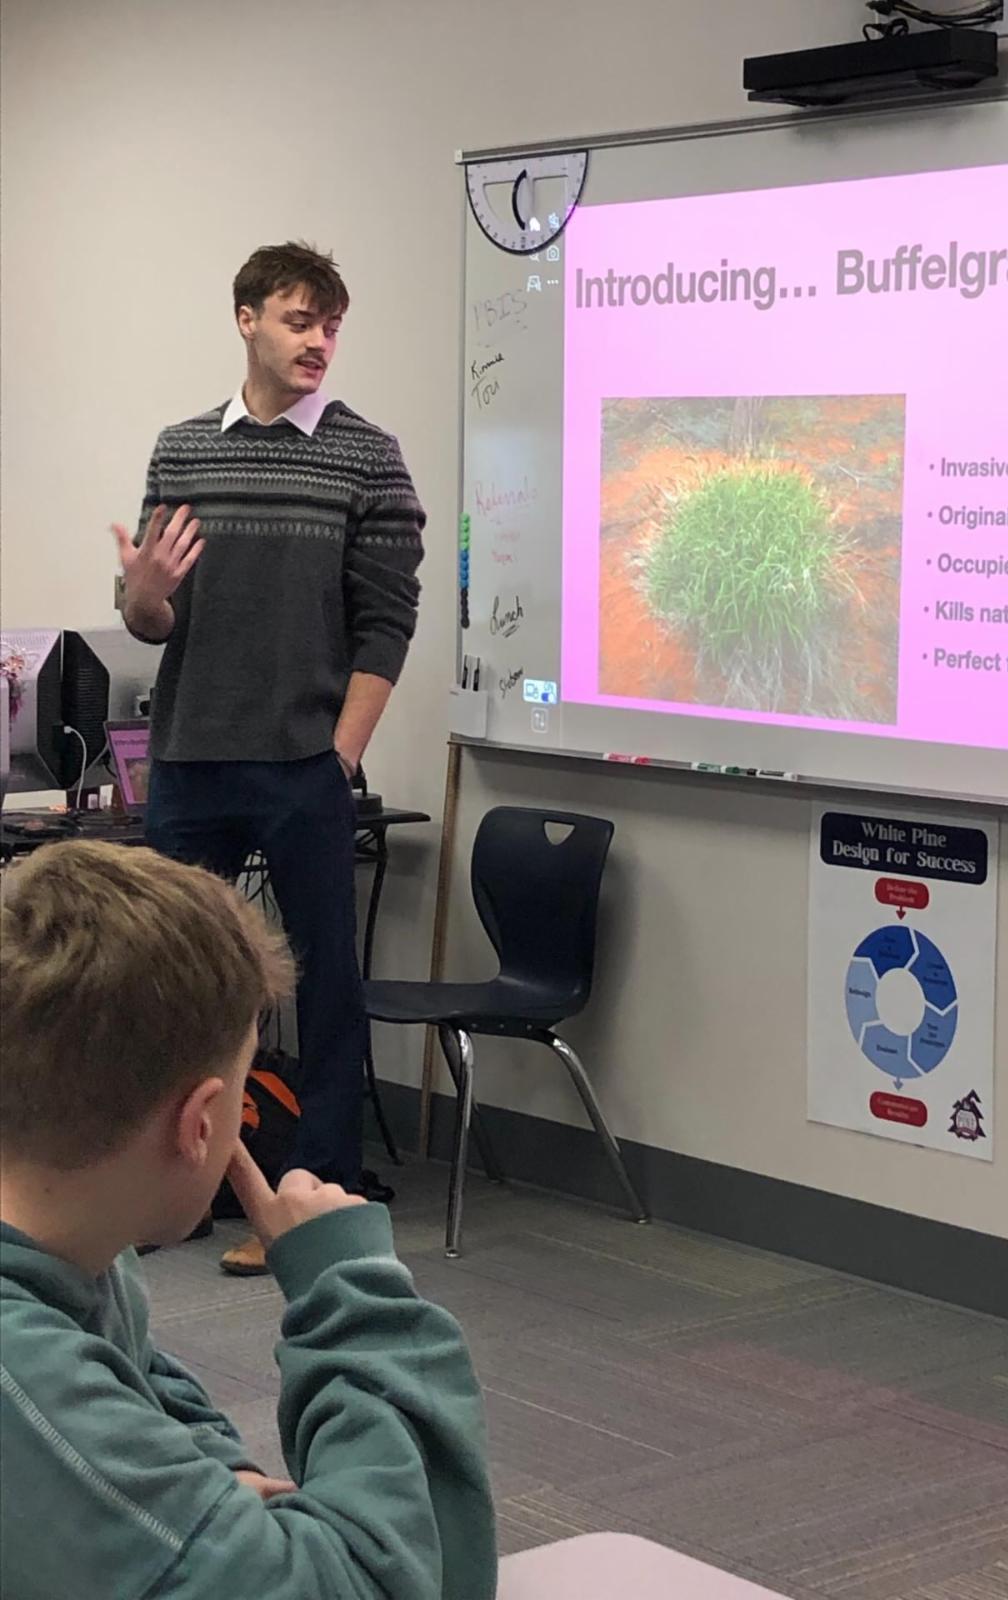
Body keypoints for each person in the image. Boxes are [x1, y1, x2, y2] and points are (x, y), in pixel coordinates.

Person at [0, 841, 497, 1600]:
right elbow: (403, 1584)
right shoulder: (22, 1376)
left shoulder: (73, 1254)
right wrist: (353, 1294)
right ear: (203, 1122)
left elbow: (137, 1392)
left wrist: (215, 1493)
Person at [112, 240, 424, 1274]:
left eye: (331, 325)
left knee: (322, 981)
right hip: (191, 757)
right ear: (246, 319)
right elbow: (153, 617)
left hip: (302, 764)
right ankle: (168, 1189)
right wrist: (142, 591)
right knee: (170, 980)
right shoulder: (182, 449)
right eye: (299, 321)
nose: (319, 343)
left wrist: (338, 758)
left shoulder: (366, 456)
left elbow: (386, 626)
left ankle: (312, 1196)